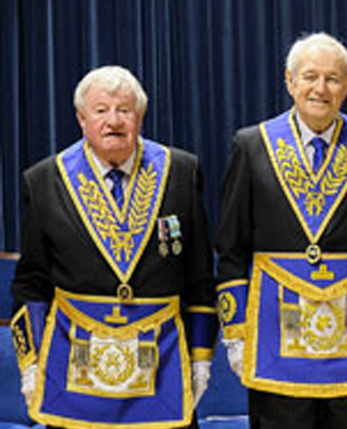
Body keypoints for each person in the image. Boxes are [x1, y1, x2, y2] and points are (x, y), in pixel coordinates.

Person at [215, 32, 347, 429]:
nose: (320, 88)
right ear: (289, 81)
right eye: (310, 76)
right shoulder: (253, 146)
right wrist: (235, 333)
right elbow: (232, 247)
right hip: (277, 340)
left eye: (333, 78)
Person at [10, 65, 216, 428]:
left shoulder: (181, 172)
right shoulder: (45, 181)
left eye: (124, 110)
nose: (114, 121)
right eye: (101, 110)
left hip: (162, 371)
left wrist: (201, 359)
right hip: (74, 374)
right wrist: (32, 366)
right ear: (81, 119)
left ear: (140, 116)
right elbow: (31, 286)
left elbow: (199, 278)